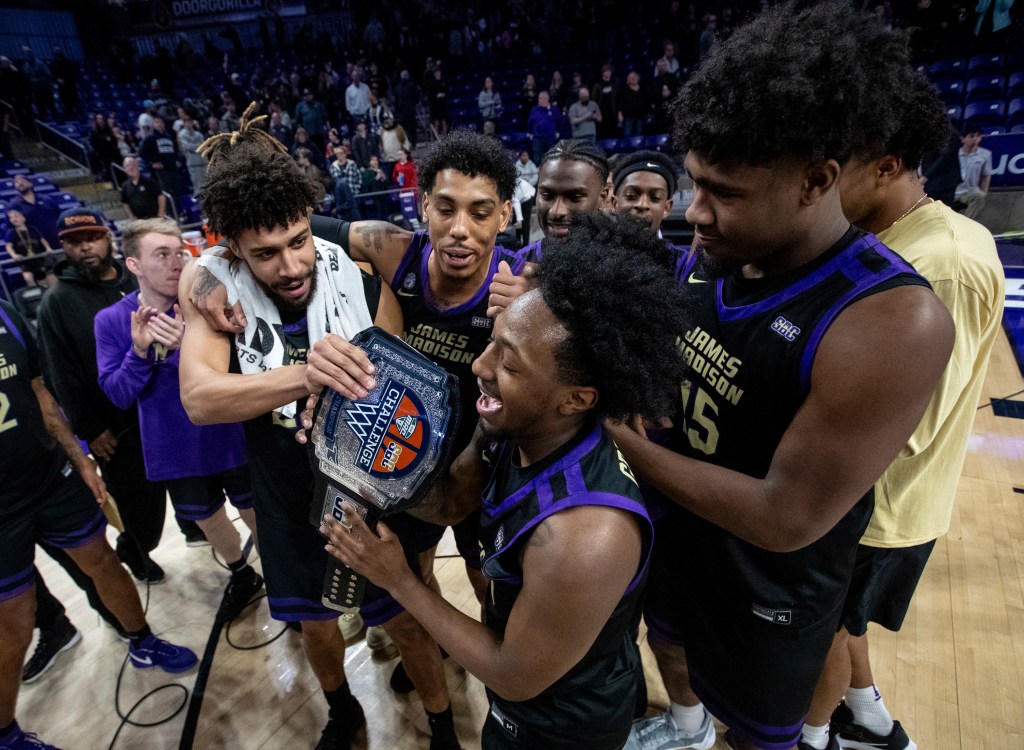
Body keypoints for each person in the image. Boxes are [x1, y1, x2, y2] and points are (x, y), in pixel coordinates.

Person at [613, 4, 955, 750]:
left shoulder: (890, 318)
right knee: (671, 653)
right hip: (681, 541)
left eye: (724, 193)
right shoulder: (715, 255)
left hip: (766, 590)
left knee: (760, 735)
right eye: (695, 183)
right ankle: (687, 729)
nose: (693, 213)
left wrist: (623, 440)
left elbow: (785, 516)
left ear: (815, 181)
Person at [187, 128, 539, 706]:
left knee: (487, 579)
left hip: (482, 452)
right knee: (417, 578)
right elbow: (261, 236)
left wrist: (530, 304)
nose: (459, 228)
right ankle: (434, 649)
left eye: (479, 213)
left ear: (505, 215)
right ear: (423, 204)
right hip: (399, 457)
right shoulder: (388, 250)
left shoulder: (519, 285)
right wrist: (201, 277)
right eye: (445, 207)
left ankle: (502, 681)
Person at [317, 212, 689, 749]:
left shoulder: (585, 536)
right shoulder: (516, 427)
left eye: (508, 363)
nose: (480, 366)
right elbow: (449, 504)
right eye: (492, 343)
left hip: (562, 726)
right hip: (525, 699)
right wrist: (359, 449)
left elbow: (513, 672)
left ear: (577, 398)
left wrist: (398, 579)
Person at [178, 107, 460, 750]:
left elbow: (400, 382)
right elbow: (199, 397)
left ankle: (442, 725)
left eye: (298, 240)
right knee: (316, 625)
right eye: (266, 254)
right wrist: (308, 378)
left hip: (367, 486)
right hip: (284, 490)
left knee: (409, 622)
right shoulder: (212, 284)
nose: (290, 263)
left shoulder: (358, 274)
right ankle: (342, 712)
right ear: (230, 248)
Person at [801, 71, 1005, 750]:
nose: (822, 182)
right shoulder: (898, 237)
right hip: (869, 492)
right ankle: (869, 720)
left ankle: (811, 737)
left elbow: (913, 424)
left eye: (837, 171)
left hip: (881, 500)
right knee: (845, 622)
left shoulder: (939, 262)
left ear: (887, 166)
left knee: (820, 628)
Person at [0, 298, 196, 750]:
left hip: (49, 478)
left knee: (104, 562)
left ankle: (142, 641)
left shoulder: (7, 313)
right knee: (14, 618)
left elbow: (41, 394)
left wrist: (80, 459)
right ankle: (6, 733)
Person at [94, 219, 263, 624]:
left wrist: (189, 344)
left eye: (179, 252)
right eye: (162, 254)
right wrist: (140, 352)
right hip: (173, 444)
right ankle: (241, 573)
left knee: (257, 510)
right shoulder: (112, 320)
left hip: (230, 431)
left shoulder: (211, 299)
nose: (175, 262)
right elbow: (117, 393)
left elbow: (250, 361)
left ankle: (283, 575)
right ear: (133, 264)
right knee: (207, 517)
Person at [37, 208, 170, 585]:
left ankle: (193, 527)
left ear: (107, 238)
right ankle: (135, 548)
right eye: (74, 242)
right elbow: (58, 374)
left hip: (162, 408)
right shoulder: (57, 302)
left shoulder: (137, 278)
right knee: (140, 507)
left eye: (91, 238)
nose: (85, 247)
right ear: (63, 248)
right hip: (116, 425)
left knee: (184, 486)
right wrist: (90, 428)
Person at [610, 150, 677, 235]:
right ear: (615, 203)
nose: (642, 205)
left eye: (655, 197)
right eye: (631, 196)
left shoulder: (673, 249)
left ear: (666, 208)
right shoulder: (592, 247)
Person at [4, 208, 55, 288]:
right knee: (28, 278)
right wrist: (14, 255)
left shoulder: (32, 229)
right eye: (11, 218)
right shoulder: (11, 232)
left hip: (37, 258)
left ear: (23, 218)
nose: (13, 219)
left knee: (43, 281)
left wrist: (48, 248)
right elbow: (8, 246)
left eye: (16, 216)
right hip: (25, 261)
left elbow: (42, 240)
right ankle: (35, 295)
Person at [138, 116, 181, 203]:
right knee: (166, 192)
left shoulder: (168, 136)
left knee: (178, 191)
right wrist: (152, 163)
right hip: (162, 171)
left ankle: (181, 212)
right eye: (156, 122)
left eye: (161, 122)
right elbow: (142, 153)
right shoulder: (150, 138)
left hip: (173, 168)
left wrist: (176, 160)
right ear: (153, 125)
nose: (159, 124)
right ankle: (170, 214)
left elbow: (174, 150)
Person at [8, 175, 60, 248]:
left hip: (55, 241)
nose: (20, 183)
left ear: (31, 183)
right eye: (16, 182)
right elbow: (10, 227)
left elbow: (59, 216)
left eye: (22, 181)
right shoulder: (13, 205)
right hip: (33, 246)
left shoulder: (46, 200)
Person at [954, 127, 992, 220]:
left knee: (979, 197)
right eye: (971, 136)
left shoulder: (986, 154)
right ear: (963, 139)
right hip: (953, 191)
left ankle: (966, 223)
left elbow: (986, 176)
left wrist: (984, 192)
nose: (975, 139)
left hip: (970, 191)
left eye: (978, 136)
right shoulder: (954, 153)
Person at [526, 92, 561, 167]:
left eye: (541, 98)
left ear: (546, 99)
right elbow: (530, 122)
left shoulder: (554, 109)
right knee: (537, 159)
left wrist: (558, 131)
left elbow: (559, 121)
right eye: (539, 98)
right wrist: (530, 133)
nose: (539, 100)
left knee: (552, 158)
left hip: (551, 138)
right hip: (537, 138)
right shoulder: (534, 109)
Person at [177, 115, 207, 195]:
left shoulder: (198, 134)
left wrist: (196, 146)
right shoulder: (181, 134)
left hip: (204, 161)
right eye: (187, 122)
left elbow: (205, 145)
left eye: (190, 122)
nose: (189, 124)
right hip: (193, 163)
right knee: (197, 185)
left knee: (207, 183)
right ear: (184, 124)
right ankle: (200, 204)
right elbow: (187, 147)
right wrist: (199, 146)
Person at [618, 71, 649, 137]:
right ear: (628, 80)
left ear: (638, 78)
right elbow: (620, 103)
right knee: (628, 135)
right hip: (628, 117)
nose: (633, 79)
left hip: (641, 117)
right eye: (631, 78)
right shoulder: (624, 90)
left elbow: (647, 101)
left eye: (635, 77)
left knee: (640, 135)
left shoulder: (643, 89)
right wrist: (620, 114)